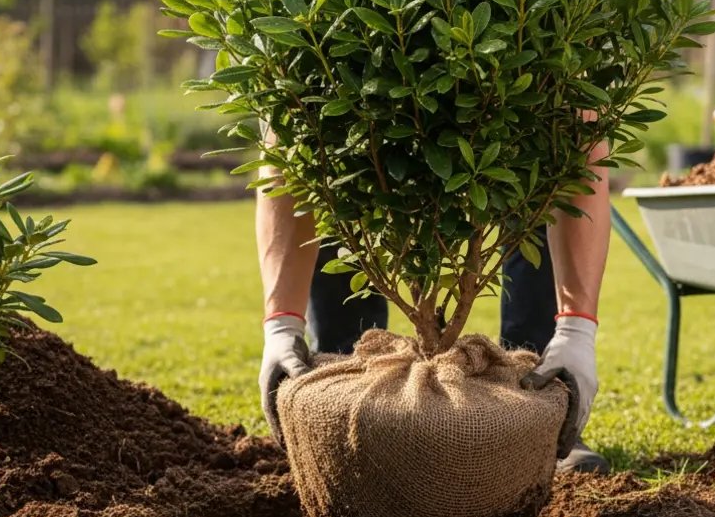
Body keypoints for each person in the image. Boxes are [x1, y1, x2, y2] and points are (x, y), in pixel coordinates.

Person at [255, 117, 612, 474]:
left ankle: (539, 406)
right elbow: (289, 147)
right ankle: (342, 404)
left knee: (535, 190)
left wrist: (575, 331)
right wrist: (282, 324)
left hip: (512, 118)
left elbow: (580, 140)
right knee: (340, 181)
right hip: (360, 124)